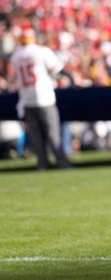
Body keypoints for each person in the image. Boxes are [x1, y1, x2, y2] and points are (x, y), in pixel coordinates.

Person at [9, 22, 71, 170]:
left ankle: (42, 164)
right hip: (44, 97)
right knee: (53, 133)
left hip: (27, 99)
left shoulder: (16, 56)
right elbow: (57, 70)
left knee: (36, 136)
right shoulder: (41, 51)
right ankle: (61, 163)